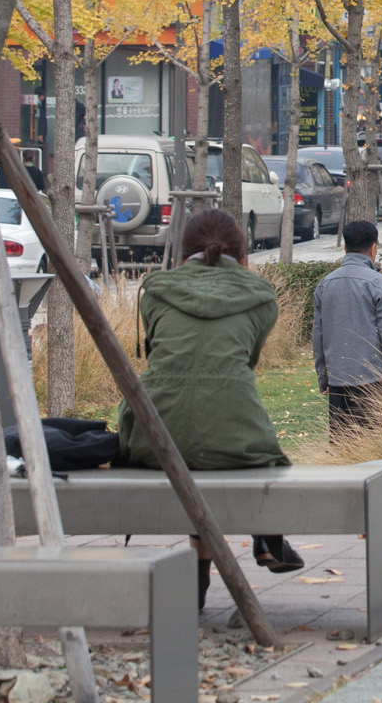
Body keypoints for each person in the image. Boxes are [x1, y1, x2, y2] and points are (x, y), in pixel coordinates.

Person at [117, 209, 302, 609]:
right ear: (244, 253)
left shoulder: (156, 292)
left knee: (194, 447)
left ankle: (200, 580)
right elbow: (246, 361)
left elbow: (155, 352)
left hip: (152, 434)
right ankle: (266, 535)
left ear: (183, 255)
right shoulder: (261, 299)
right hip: (234, 436)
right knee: (246, 446)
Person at [314, 218, 382, 439]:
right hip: (373, 379)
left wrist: (324, 377)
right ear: (373, 248)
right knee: (373, 444)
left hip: (338, 379)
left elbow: (319, 336)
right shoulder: (380, 284)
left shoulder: (325, 285)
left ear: (345, 247)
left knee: (342, 446)